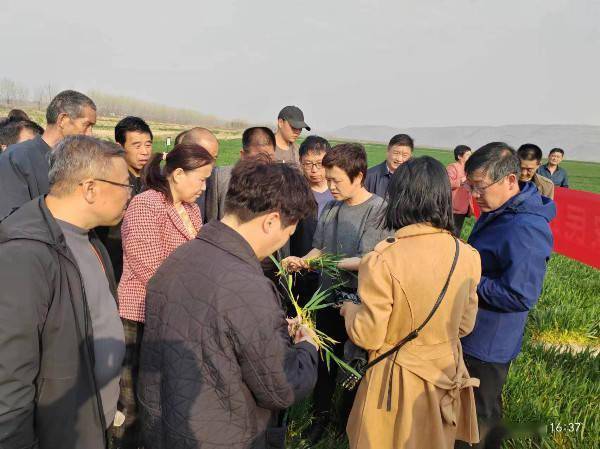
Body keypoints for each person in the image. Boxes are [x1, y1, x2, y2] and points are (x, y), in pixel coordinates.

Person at [137, 156, 319, 449]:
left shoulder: (178, 259)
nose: (284, 241)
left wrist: (270, 331)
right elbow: (280, 388)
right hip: (221, 435)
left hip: (165, 426)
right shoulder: (249, 287)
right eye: (289, 231)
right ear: (271, 221)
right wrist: (307, 348)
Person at [341, 156, 481, 449]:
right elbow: (465, 325)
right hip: (445, 375)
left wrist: (349, 310)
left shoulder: (383, 259)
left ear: (399, 199)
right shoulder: (467, 255)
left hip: (395, 383)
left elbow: (370, 334)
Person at [0, 136, 130, 449]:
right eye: (125, 185)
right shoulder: (25, 254)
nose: (130, 195)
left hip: (93, 425)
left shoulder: (91, 240)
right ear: (90, 188)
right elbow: (9, 378)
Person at [282, 143, 394, 444]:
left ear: (358, 176)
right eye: (328, 180)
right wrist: (303, 261)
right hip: (327, 296)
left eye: (336, 181)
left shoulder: (378, 210)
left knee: (354, 364)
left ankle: (347, 423)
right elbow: (321, 247)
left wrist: (318, 261)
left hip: (359, 303)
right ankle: (320, 419)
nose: (329, 186)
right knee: (325, 362)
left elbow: (367, 260)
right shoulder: (331, 207)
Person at [115, 143, 214, 449]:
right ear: (178, 174)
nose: (204, 187)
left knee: (159, 394)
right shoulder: (146, 205)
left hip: (173, 315)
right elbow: (151, 268)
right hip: (140, 315)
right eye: (201, 179)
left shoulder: (191, 210)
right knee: (130, 400)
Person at [458, 142, 555, 449]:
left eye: (480, 187)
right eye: (470, 187)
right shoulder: (500, 209)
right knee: (469, 414)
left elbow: (520, 294)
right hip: (474, 330)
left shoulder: (525, 227)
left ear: (510, 181)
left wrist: (470, 280)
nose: (475, 196)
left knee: (478, 420)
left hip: (488, 344)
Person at [0, 90, 96, 220]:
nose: (90, 134)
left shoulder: (80, 164)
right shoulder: (16, 159)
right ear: (63, 120)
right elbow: (11, 220)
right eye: (86, 125)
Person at [97, 116, 153, 282]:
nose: (145, 152)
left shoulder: (155, 181)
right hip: (114, 264)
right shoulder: (109, 182)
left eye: (148, 144)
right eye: (137, 146)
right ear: (119, 147)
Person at [289, 136, 334, 304]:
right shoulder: (294, 192)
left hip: (330, 272)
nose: (314, 170)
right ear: (300, 163)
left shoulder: (338, 192)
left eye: (319, 163)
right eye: (308, 164)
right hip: (300, 271)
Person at [205, 126, 276, 222]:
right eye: (259, 157)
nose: (264, 162)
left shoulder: (278, 183)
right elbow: (211, 219)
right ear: (243, 155)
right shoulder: (220, 178)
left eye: (269, 156)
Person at [174, 127, 220, 223]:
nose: (210, 164)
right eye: (205, 157)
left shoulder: (214, 180)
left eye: (214, 158)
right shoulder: (149, 204)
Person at [364, 133, 413, 198]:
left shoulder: (413, 179)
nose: (399, 159)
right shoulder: (369, 176)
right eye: (396, 153)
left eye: (404, 155)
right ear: (388, 151)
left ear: (410, 157)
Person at [447, 144, 473, 236]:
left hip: (464, 207)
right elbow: (447, 183)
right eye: (468, 155)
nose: (471, 157)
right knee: (451, 232)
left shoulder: (469, 169)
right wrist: (461, 181)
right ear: (459, 156)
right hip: (453, 208)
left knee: (457, 232)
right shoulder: (452, 167)